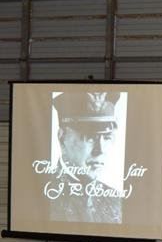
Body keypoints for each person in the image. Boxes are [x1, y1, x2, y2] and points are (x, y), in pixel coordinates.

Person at [48, 91, 124, 223]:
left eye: (106, 138)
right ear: (62, 138)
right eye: (89, 138)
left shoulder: (116, 201)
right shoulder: (44, 197)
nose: (100, 150)